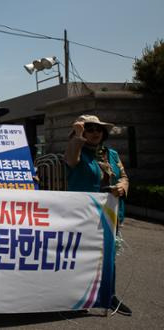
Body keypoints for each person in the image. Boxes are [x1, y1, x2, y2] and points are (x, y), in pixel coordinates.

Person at [64, 114, 131, 316]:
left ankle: (108, 295)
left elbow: (124, 176)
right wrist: (77, 135)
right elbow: (71, 161)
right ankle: (78, 297)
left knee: (108, 256)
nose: (94, 133)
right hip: (83, 215)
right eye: (89, 129)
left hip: (110, 214)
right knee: (81, 256)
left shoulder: (112, 154)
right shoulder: (75, 149)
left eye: (98, 129)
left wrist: (122, 186)